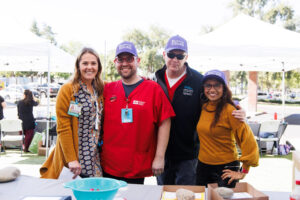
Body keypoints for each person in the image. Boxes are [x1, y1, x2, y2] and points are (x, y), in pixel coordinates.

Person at [155, 35, 246, 185]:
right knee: (164, 194)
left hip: (189, 155)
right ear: (164, 55)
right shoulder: (155, 79)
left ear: (186, 57)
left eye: (180, 56)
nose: (175, 59)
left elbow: (217, 98)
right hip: (161, 154)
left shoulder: (198, 80)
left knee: (188, 195)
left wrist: (237, 107)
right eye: (171, 54)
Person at [101, 41, 175, 184]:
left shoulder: (153, 89)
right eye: (120, 59)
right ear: (115, 62)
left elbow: (165, 121)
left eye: (129, 59)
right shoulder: (107, 89)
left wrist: (159, 157)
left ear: (138, 61)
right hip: (109, 164)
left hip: (136, 165)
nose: (125, 63)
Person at [40, 47, 104, 179]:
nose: (89, 67)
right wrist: (71, 159)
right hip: (75, 158)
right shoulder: (68, 90)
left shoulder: (99, 89)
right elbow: (63, 127)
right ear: (78, 66)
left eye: (93, 63)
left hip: (94, 157)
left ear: (98, 66)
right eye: (85, 63)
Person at [196, 70, 259, 187]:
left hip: (226, 168)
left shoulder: (231, 111)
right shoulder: (203, 106)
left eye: (217, 85)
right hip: (203, 166)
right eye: (208, 85)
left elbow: (247, 139)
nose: (212, 89)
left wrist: (243, 171)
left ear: (224, 88)